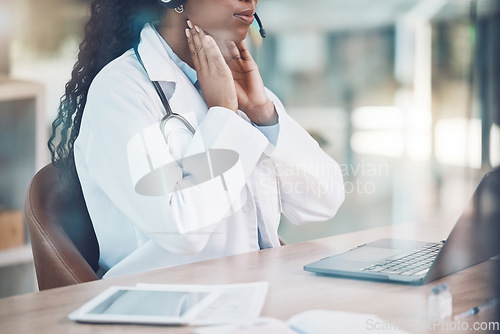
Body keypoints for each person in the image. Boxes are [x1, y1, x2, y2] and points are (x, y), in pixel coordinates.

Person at [48, 0, 345, 278]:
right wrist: (224, 116)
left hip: (252, 299)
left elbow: (325, 200)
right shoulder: (120, 93)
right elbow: (181, 232)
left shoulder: (238, 86)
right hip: (163, 311)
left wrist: (263, 114)